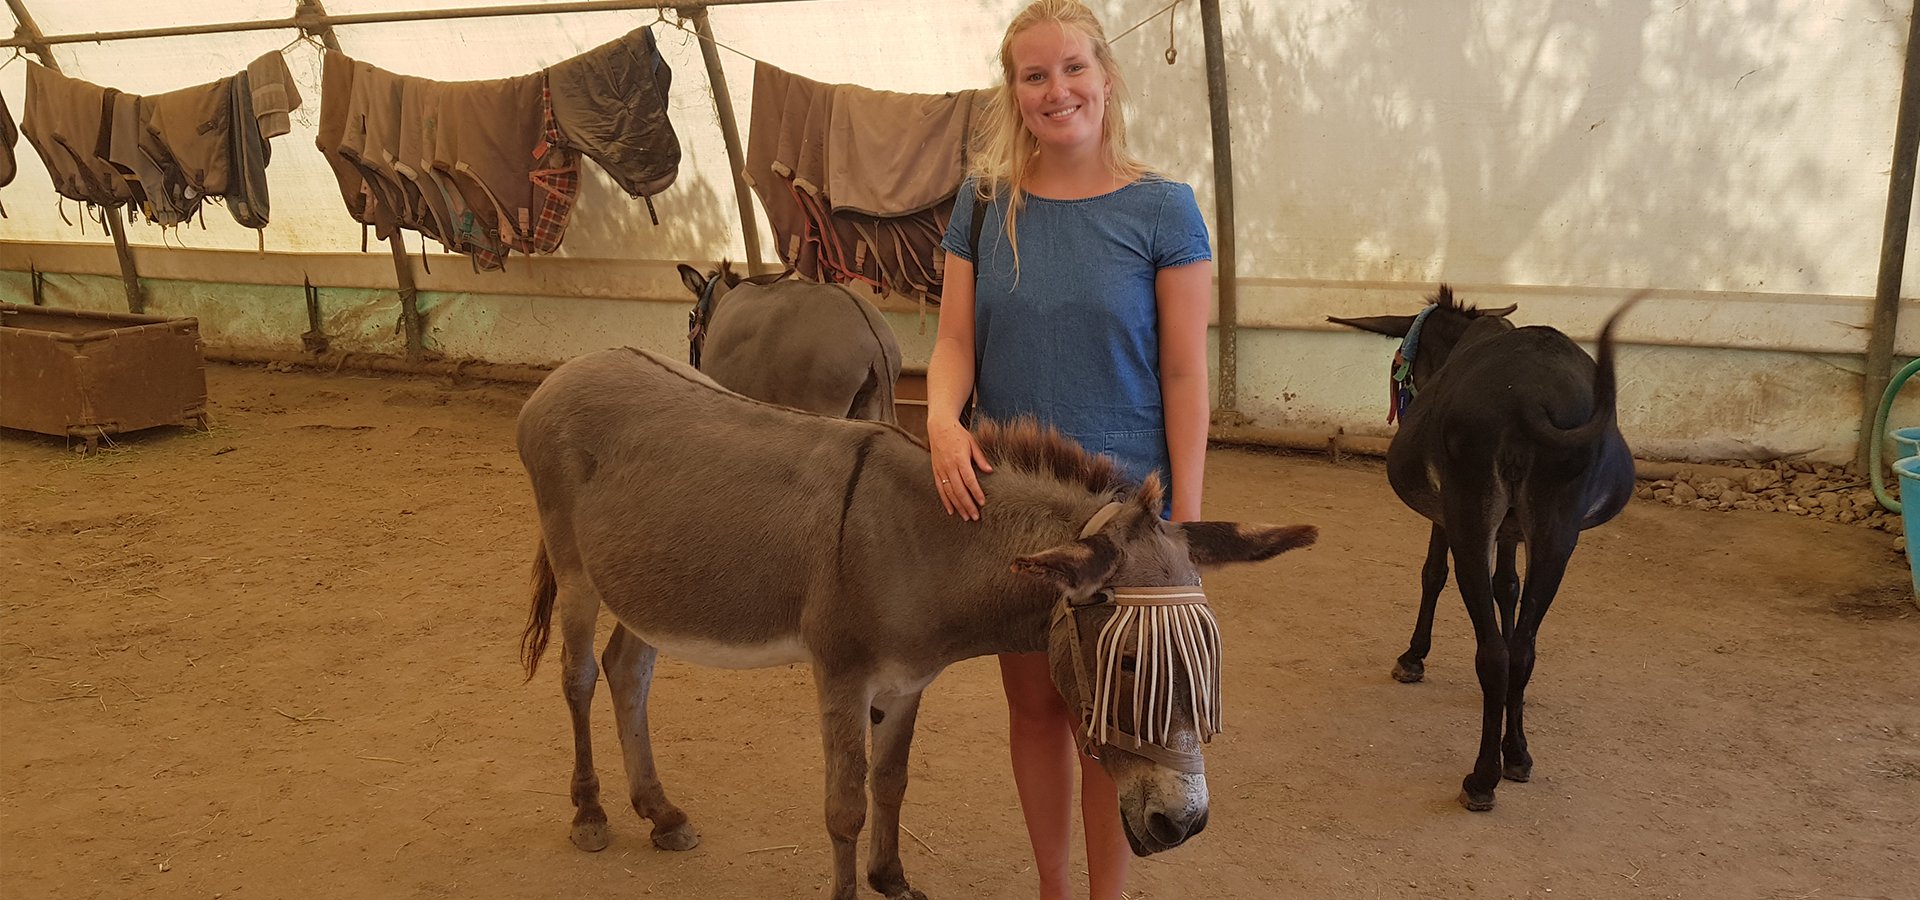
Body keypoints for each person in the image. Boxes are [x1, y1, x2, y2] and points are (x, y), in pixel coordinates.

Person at [925, 1, 1215, 897]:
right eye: (1035, 75)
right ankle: (1055, 890)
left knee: (1114, 718)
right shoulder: (982, 208)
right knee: (1037, 707)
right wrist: (941, 419)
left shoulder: (1163, 209)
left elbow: (1182, 376)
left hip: (1127, 517)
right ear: (1013, 93)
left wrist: (1187, 532)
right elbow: (955, 345)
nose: (1059, 91)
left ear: (1107, 76)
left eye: (1074, 68)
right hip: (1016, 508)